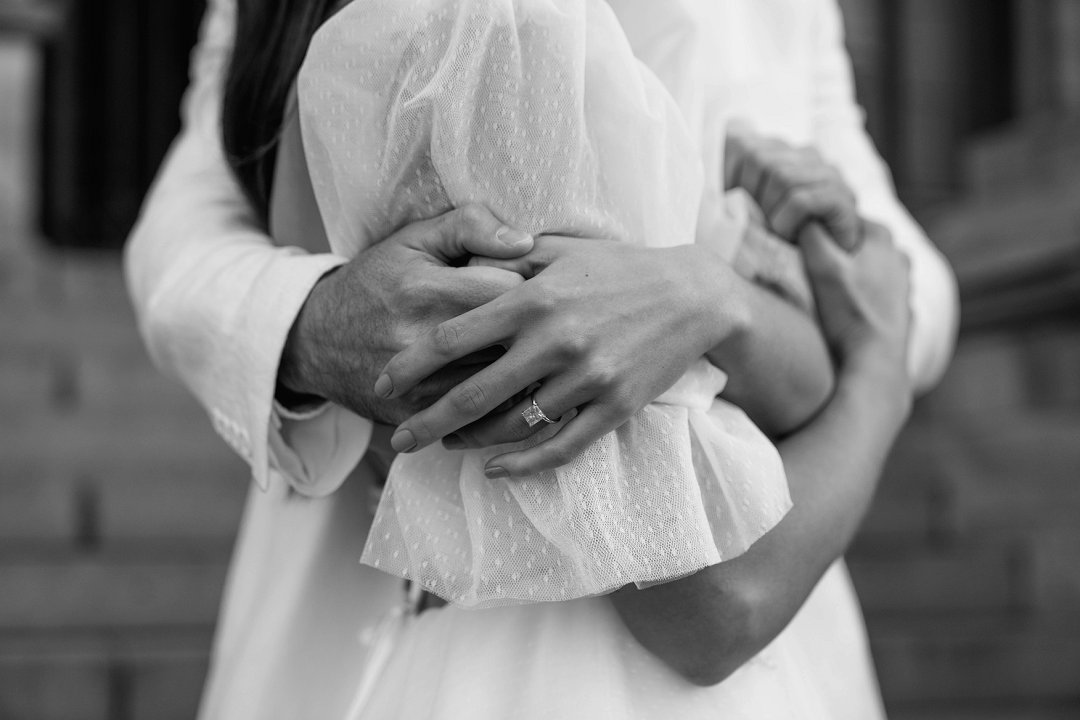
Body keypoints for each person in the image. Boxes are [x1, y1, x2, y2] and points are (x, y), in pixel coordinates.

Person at [123, 1, 958, 718]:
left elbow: (905, 266)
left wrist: (731, 289)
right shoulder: (487, 39)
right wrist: (313, 321)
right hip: (508, 615)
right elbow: (714, 608)